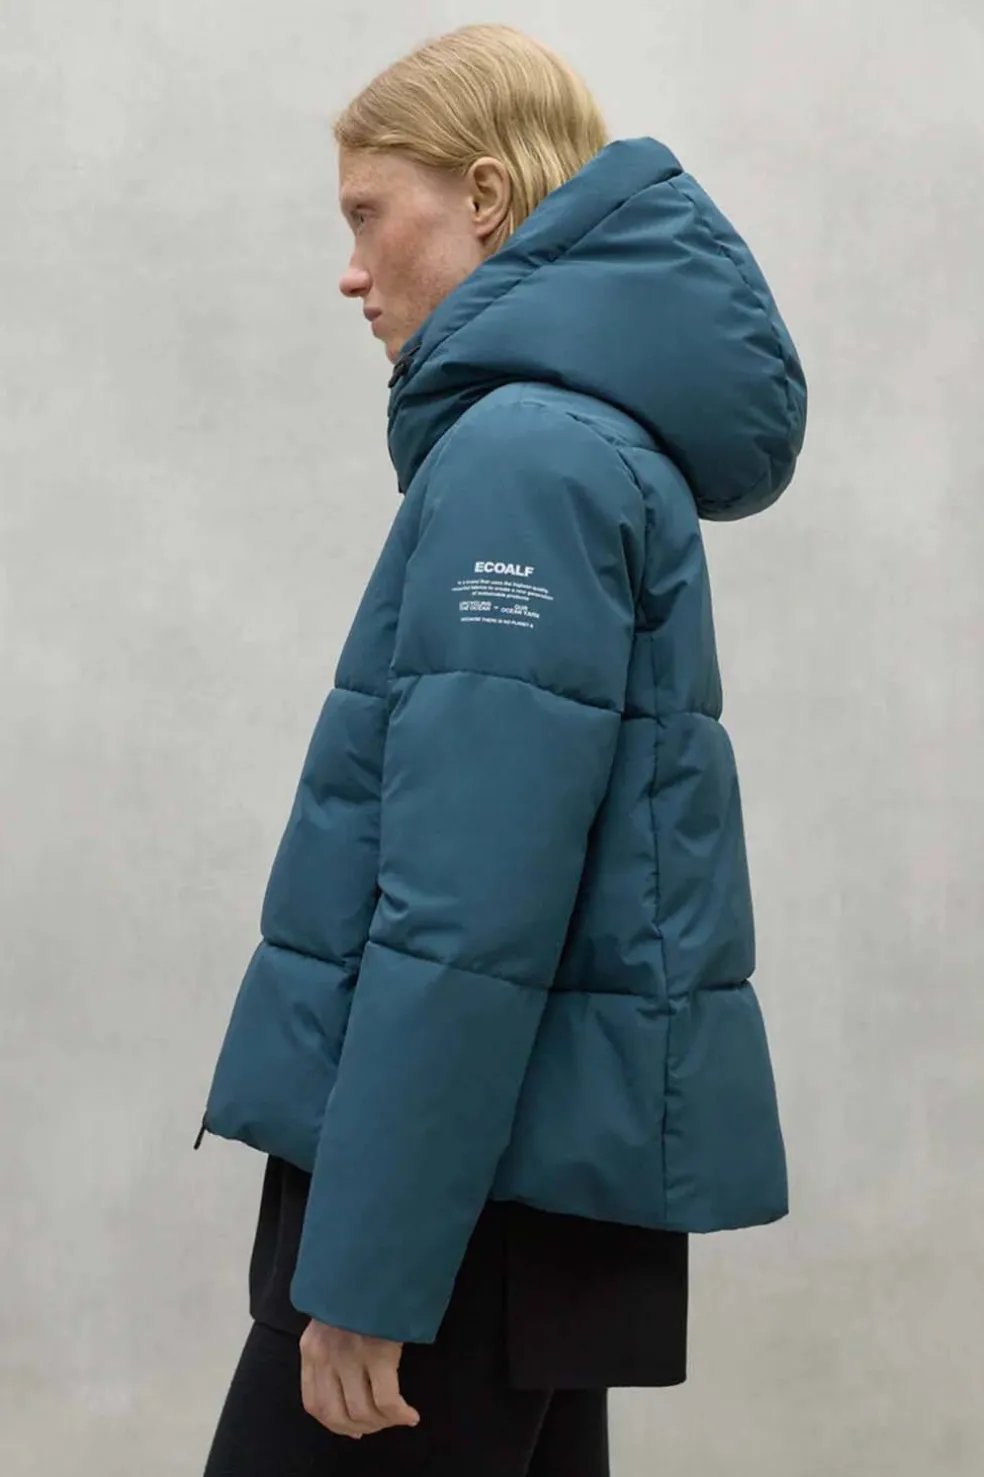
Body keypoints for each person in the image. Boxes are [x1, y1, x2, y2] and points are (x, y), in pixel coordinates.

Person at [197, 21, 807, 1477]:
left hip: (455, 1214)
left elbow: (468, 917)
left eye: (367, 214)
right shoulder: (586, 444)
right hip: (525, 1193)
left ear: (481, 197)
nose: (351, 270)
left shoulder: (525, 458)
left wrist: (370, 1272)